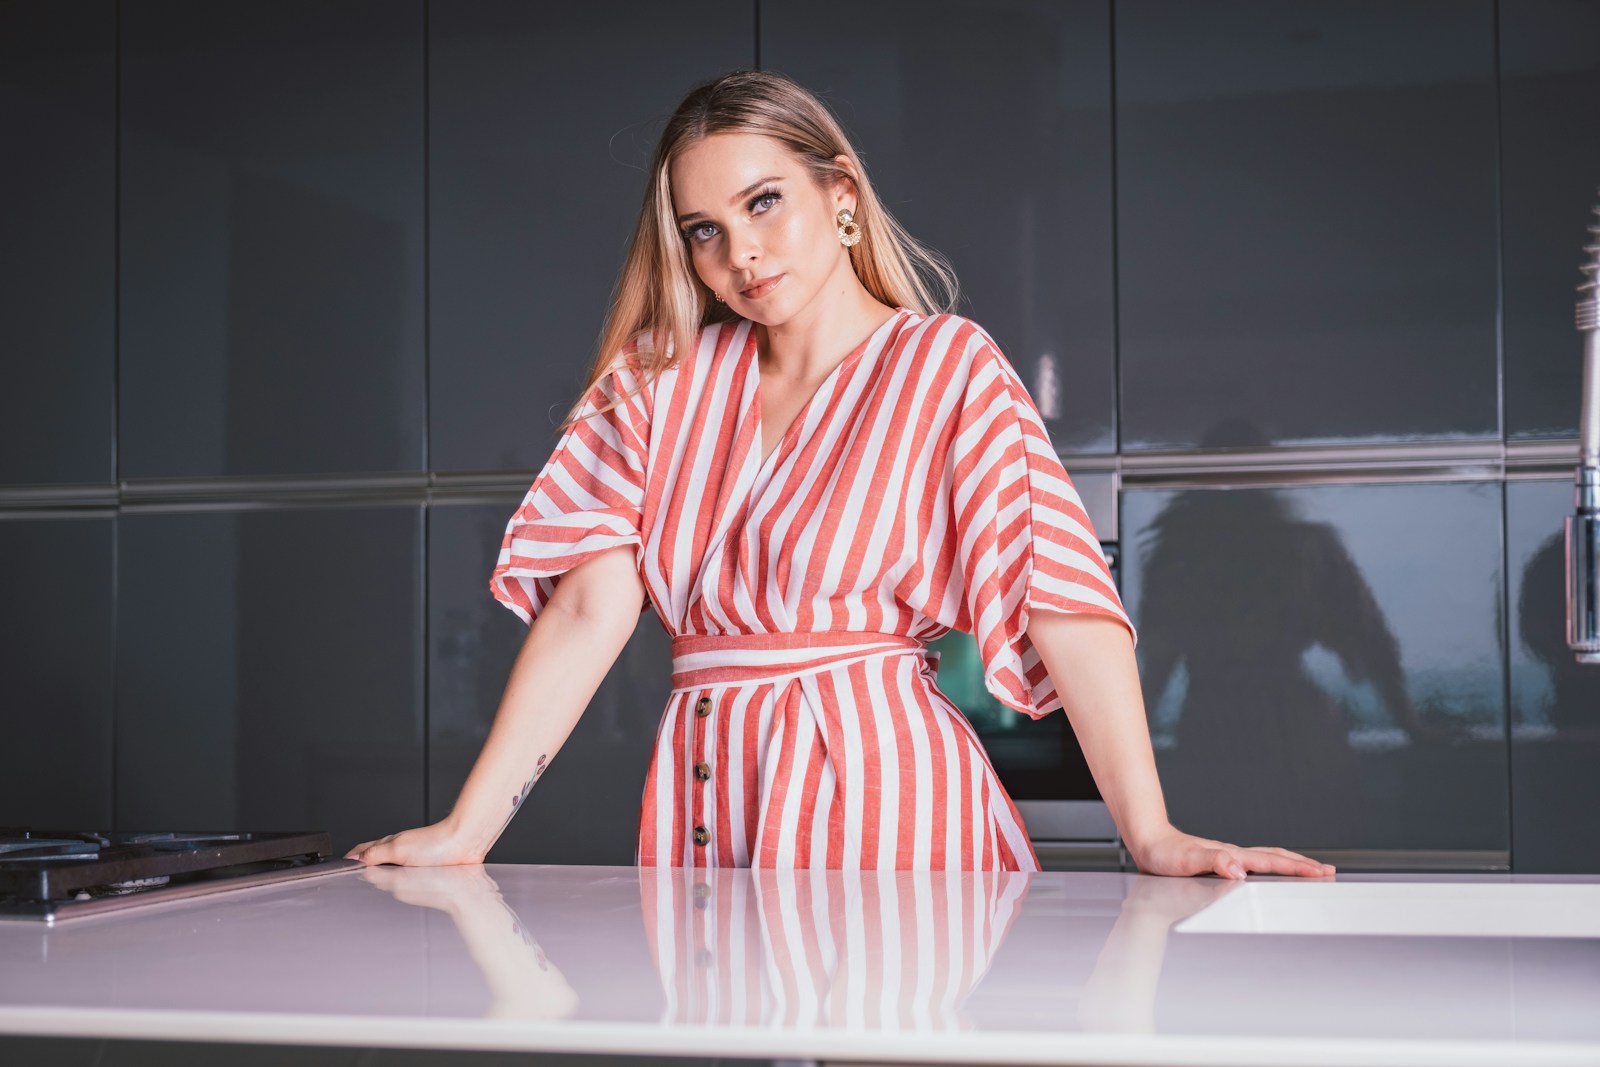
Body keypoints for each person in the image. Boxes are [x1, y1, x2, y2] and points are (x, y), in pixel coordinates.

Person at [347, 69, 1334, 879]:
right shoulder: (655, 381)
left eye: (763, 202)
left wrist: (1150, 832)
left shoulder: (946, 365)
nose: (741, 252)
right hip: (706, 783)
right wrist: (466, 829)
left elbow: (1061, 601)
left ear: (842, 196)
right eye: (703, 229)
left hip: (886, 798)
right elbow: (583, 612)